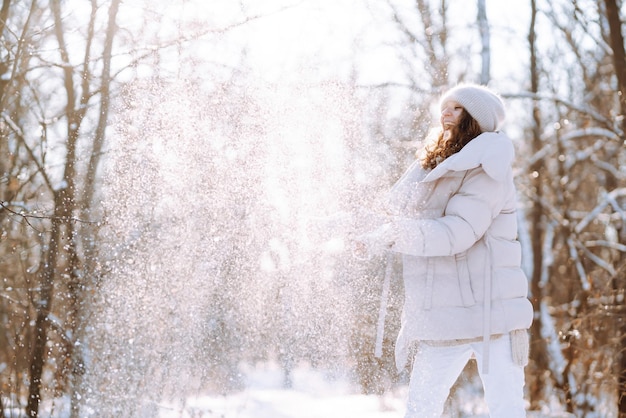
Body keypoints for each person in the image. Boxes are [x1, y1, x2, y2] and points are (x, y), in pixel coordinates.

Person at [355, 83, 534, 417]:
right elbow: (394, 217)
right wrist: (364, 232)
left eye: (456, 108)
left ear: (475, 118)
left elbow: (456, 233)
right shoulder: (432, 167)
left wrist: (393, 233)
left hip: (491, 314)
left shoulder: (488, 166)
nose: (445, 113)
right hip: (442, 313)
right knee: (420, 410)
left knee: (506, 410)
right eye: (444, 107)